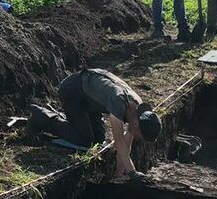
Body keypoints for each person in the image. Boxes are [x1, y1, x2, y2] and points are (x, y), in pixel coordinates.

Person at [26, 69, 162, 178]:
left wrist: (118, 176)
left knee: (98, 140)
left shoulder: (136, 112)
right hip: (73, 91)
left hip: (91, 102)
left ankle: (66, 120)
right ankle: (41, 117)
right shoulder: (119, 101)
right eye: (139, 137)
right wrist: (133, 173)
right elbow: (119, 141)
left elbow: (127, 145)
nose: (137, 138)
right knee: (85, 139)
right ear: (137, 125)